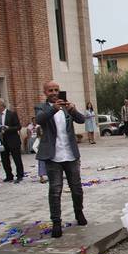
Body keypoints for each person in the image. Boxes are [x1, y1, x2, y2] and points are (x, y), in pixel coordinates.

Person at [35, 80, 86, 238]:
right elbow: (40, 120)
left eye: (56, 89)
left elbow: (82, 120)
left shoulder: (66, 107)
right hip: (53, 155)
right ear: (45, 92)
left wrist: (73, 110)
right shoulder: (42, 107)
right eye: (50, 90)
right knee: (55, 190)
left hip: (70, 154)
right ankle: (56, 222)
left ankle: (79, 213)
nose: (54, 92)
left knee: (76, 188)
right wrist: (53, 110)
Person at [0, 98, 24, 183]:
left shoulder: (11, 114)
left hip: (13, 140)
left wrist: (8, 128)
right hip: (2, 141)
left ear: (1, 105)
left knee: (17, 158)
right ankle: (9, 175)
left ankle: (20, 175)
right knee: (4, 159)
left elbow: (18, 127)